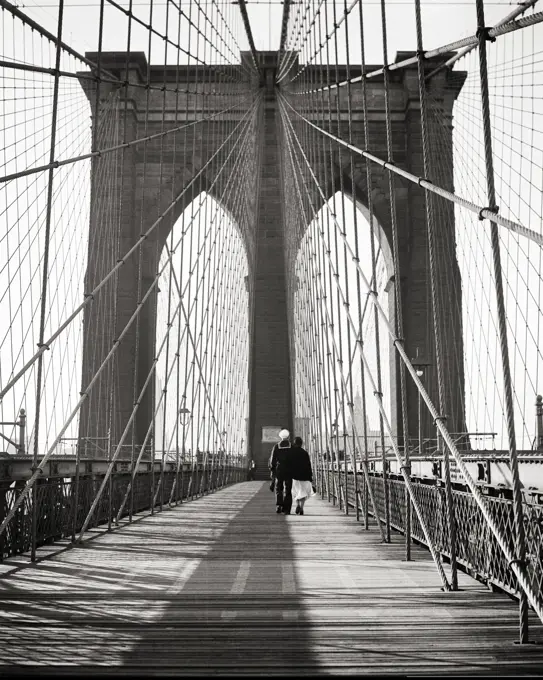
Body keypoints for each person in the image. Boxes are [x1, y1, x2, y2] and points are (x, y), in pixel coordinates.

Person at [269, 429, 293, 514]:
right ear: (288, 437)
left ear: (280, 437)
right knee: (288, 489)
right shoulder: (292, 446)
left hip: (279, 470)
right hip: (289, 470)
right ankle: (287, 509)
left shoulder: (276, 446)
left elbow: (272, 460)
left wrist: (272, 469)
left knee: (278, 488)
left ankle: (279, 505)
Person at [290, 436, 313, 516]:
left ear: (294, 443)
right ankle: (301, 507)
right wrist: (310, 476)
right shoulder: (305, 453)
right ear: (301, 444)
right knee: (302, 493)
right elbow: (308, 465)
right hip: (304, 476)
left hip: (294, 476)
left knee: (296, 493)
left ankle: (297, 505)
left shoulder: (291, 452)